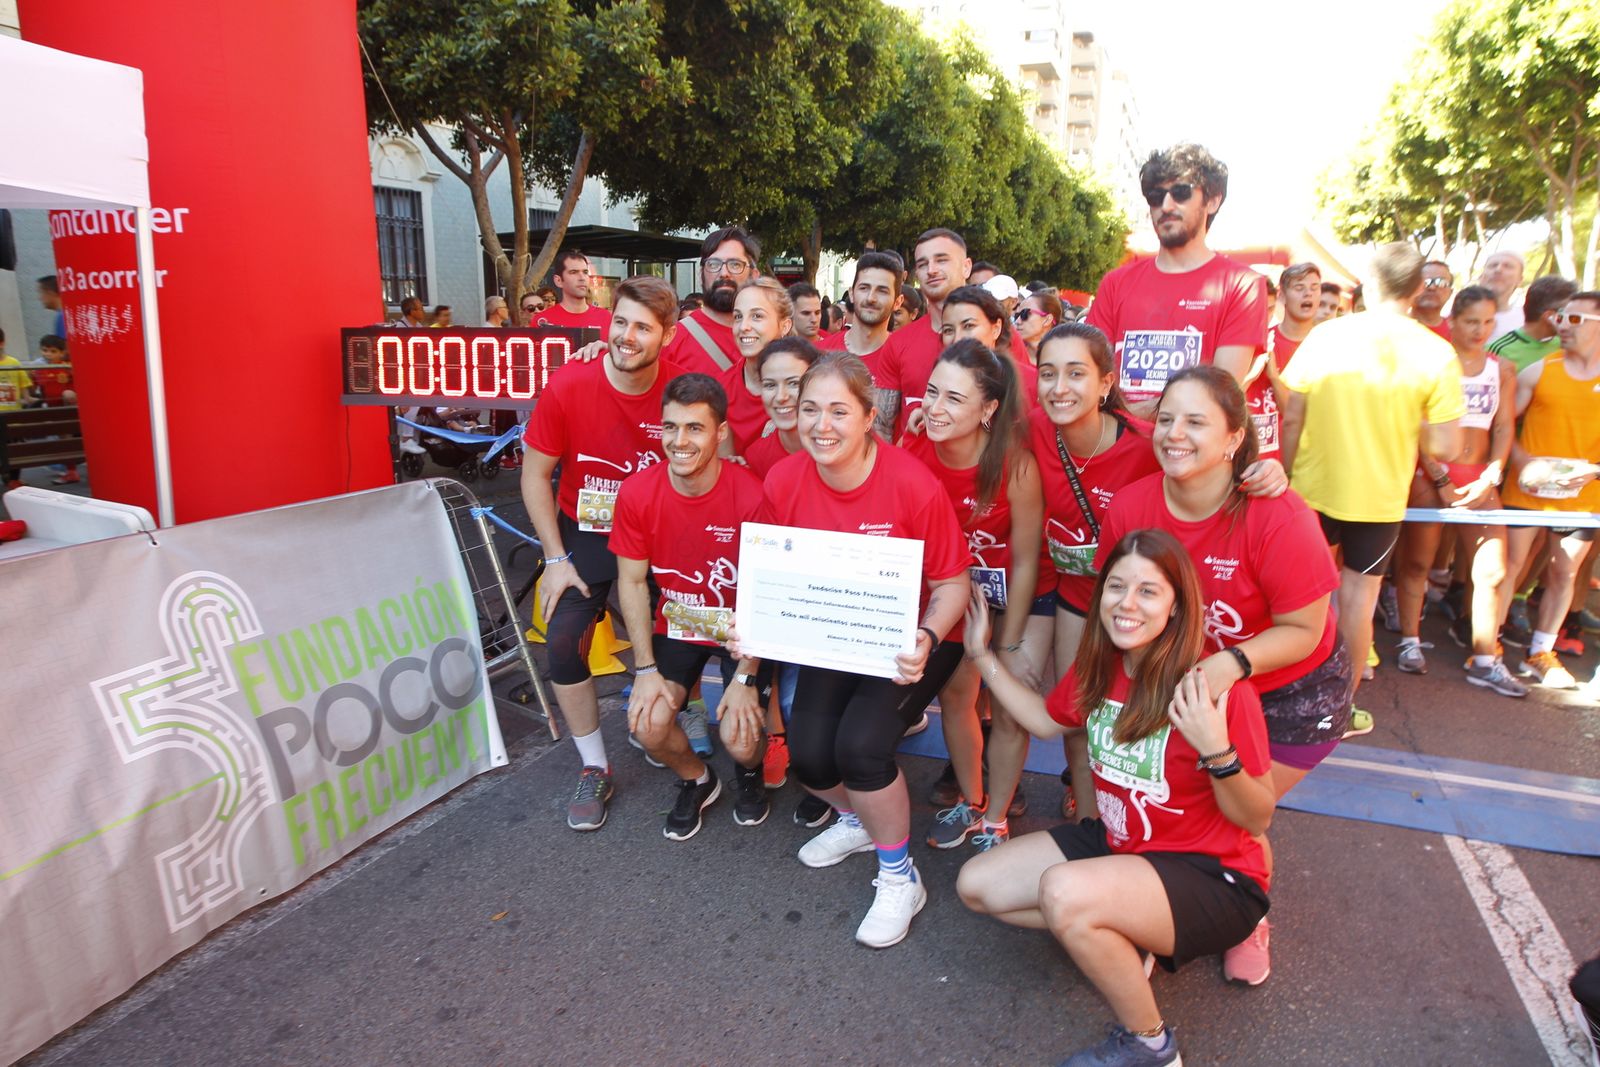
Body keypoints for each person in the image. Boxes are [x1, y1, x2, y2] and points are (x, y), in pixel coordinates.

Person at [957, 529, 1275, 1067]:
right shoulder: (1100, 664)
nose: (1127, 604)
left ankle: (1151, 1044)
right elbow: (1042, 719)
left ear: (1177, 606)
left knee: (1064, 895)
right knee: (978, 886)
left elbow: (1256, 815)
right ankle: (1128, 931)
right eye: (1116, 587)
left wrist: (1217, 750)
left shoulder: (1213, 687)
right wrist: (981, 655)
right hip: (1120, 845)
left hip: (1211, 876)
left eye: (1148, 591)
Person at [1099, 366, 1344, 986]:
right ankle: (1156, 914)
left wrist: (1228, 663)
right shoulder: (1133, 504)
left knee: (1237, 814)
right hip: (1188, 683)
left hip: (1290, 689)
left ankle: (1245, 915)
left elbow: (1304, 630)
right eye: (1166, 419)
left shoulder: (1277, 513)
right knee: (1178, 802)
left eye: (1196, 421)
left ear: (1236, 437)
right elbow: (1115, 600)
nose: (1174, 433)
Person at [755, 352, 970, 948]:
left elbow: (954, 583)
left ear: (870, 417)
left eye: (838, 412)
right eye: (809, 410)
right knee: (809, 756)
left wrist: (925, 638)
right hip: (836, 636)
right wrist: (755, 634)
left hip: (914, 641)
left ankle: (900, 876)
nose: (822, 426)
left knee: (861, 747)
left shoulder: (911, 484)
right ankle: (858, 820)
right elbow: (772, 576)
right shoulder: (783, 481)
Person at [519, 275, 687, 831]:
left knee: (676, 636)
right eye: (620, 322)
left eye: (643, 327)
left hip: (658, 534)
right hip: (585, 534)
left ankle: (665, 722)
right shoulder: (569, 384)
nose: (627, 336)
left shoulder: (682, 391)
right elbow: (535, 475)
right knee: (564, 641)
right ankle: (594, 765)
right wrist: (555, 557)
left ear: (667, 335)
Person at [1281, 242, 1464, 735]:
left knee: (1299, 599)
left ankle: (1282, 698)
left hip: (1311, 488)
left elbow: (1292, 414)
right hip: (1380, 497)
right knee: (1358, 605)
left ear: (1369, 281)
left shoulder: (1327, 335)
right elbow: (1447, 445)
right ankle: (1337, 710)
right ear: (1416, 287)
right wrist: (1408, 417)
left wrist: (1285, 476)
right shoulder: (1437, 351)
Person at [903, 340, 1052, 851]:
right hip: (953, 594)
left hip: (1015, 598)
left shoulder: (1015, 465)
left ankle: (996, 818)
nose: (935, 408)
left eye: (954, 399)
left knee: (1008, 703)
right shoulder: (914, 445)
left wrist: (1006, 644)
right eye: (931, 393)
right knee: (957, 695)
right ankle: (971, 799)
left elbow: (1029, 559)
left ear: (988, 409)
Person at [613, 373, 772, 839]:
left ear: (720, 433)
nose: (679, 441)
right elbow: (632, 580)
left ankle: (748, 772)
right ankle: (698, 780)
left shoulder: (752, 495)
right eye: (670, 427)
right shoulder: (638, 493)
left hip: (740, 631)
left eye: (694, 428)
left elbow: (766, 593)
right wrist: (643, 670)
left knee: (739, 739)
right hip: (677, 628)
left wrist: (745, 676)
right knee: (647, 723)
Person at [1392, 287, 1525, 696]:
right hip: (1430, 475)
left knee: (1492, 569)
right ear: (1454, 320)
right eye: (1471, 321)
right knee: (1417, 561)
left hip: (1480, 474)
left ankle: (1487, 657)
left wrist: (1493, 472)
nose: (1480, 330)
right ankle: (1409, 640)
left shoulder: (1501, 368)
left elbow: (1504, 426)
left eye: (1488, 322)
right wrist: (1439, 476)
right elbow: (1414, 423)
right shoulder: (1434, 364)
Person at [1085, 144, 1267, 420]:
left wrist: (1126, 413)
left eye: (1181, 192)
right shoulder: (1115, 283)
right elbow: (1092, 379)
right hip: (1117, 455)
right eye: (1156, 196)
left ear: (1213, 200)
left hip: (1189, 457)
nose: (1166, 206)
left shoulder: (1242, 285)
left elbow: (1218, 395)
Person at [1496, 291, 1600, 689]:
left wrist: (1592, 471)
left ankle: (1542, 651)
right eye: (1561, 318)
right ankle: (1490, 649)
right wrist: (1524, 463)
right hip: (1526, 494)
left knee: (1564, 573)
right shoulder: (1539, 370)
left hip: (1583, 499)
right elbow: (1503, 424)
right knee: (1509, 569)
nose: (1562, 326)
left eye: (1574, 320)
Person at [879, 228, 1030, 436]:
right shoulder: (898, 342)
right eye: (922, 264)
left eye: (941, 260)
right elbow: (883, 426)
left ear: (966, 267)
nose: (931, 270)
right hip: (915, 460)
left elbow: (1022, 413)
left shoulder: (1003, 335)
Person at [820, 251, 905, 438]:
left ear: (898, 302)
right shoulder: (821, 353)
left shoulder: (906, 357)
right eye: (864, 288)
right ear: (851, 293)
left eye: (882, 291)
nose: (871, 298)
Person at [663, 226, 762, 376]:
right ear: (700, 274)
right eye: (714, 265)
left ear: (754, 275)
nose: (724, 273)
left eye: (735, 265)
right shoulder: (671, 341)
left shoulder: (771, 340)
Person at [1246, 262, 1320, 460]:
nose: (1308, 294)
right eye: (1299, 288)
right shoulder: (1260, 342)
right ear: (1282, 295)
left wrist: (1274, 377)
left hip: (1306, 462)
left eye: (1314, 288)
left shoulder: (1326, 345)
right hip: (1260, 460)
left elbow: (1295, 415)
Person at [932, 285, 1037, 416]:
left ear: (996, 328)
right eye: (948, 330)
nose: (957, 338)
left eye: (968, 326)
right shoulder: (938, 381)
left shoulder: (1033, 383)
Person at [722, 278, 794, 454]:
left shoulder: (810, 385)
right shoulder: (719, 389)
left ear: (784, 326)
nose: (744, 327)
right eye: (738, 317)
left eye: (757, 316)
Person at [744, 337, 821, 480]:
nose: (781, 397)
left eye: (793, 383)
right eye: (770, 385)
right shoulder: (757, 457)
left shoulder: (841, 447)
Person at [1488, 275, 1577, 372]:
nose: (1575, 320)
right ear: (1550, 316)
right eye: (1570, 314)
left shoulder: (1569, 346)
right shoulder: (1498, 351)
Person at [536, 249, 613, 333]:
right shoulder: (542, 321)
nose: (582, 278)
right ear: (558, 281)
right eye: (573, 272)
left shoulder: (606, 317)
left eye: (585, 272)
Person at [1478, 250, 1526, 337]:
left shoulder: (1526, 322)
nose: (1498, 269)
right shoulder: (1455, 316)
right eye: (1493, 266)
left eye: (1508, 266)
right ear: (1481, 276)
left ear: (1520, 280)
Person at [1013, 287, 1063, 365]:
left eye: (1024, 314)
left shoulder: (1063, 361)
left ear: (1047, 320)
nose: (1017, 321)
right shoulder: (1008, 354)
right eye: (1017, 315)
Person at [1410, 261, 1454, 340]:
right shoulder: (1392, 327)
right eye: (1425, 282)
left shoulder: (1457, 334)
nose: (1432, 287)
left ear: (1450, 292)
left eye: (1441, 283)